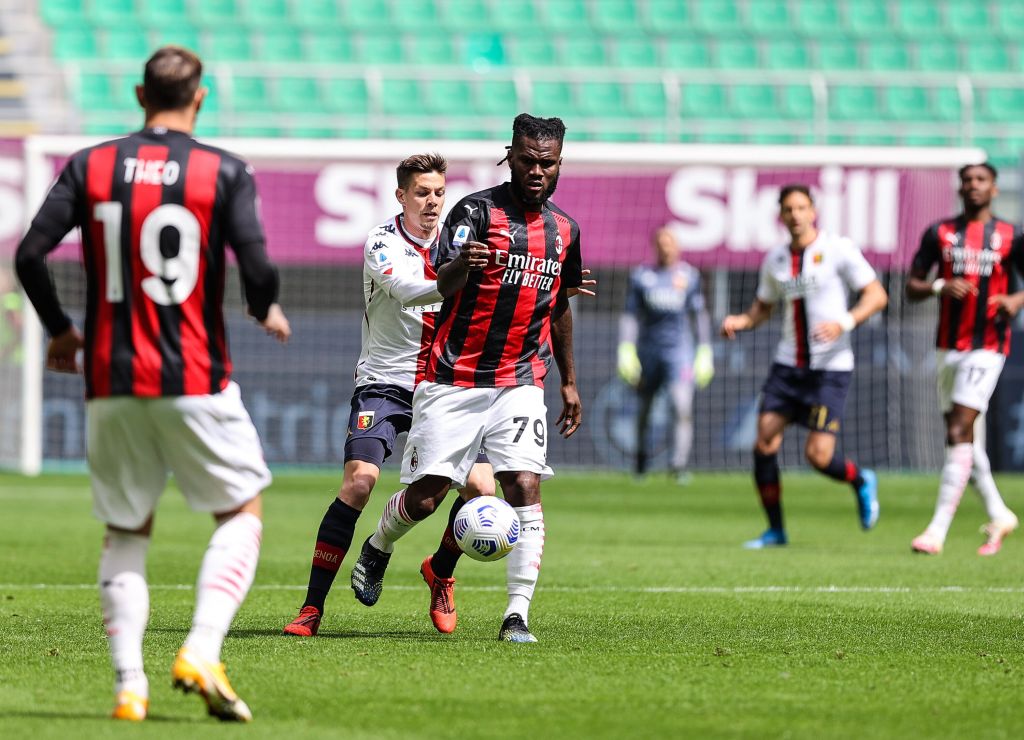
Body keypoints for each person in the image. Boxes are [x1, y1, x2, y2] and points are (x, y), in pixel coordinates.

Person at [14, 46, 290, 723]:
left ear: (141, 95)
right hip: (195, 376)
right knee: (241, 512)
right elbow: (257, 263)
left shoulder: (91, 164)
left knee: (126, 531)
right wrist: (263, 307)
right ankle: (201, 648)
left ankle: (129, 687)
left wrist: (61, 331)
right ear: (200, 98)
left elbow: (28, 255)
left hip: (110, 380)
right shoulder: (224, 170)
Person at [349, 113, 584, 644]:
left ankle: (516, 616)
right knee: (427, 497)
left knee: (523, 485)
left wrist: (569, 380)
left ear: (559, 165)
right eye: (528, 160)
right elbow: (443, 280)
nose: (537, 171)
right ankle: (380, 545)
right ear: (511, 156)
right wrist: (465, 266)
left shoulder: (566, 230)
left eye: (547, 163)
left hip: (522, 377)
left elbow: (560, 306)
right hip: (455, 376)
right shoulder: (474, 211)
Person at [280, 153, 499, 638]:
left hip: (444, 385)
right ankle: (312, 608)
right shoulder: (382, 242)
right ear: (401, 196)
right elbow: (408, 290)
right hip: (384, 382)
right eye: (422, 193)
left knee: (482, 489)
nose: (432, 202)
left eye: (439, 193)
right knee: (359, 483)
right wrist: (464, 271)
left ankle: (441, 571)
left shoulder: (458, 242)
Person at [720, 184, 887, 548]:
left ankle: (861, 480)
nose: (795, 215)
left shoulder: (838, 249)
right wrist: (741, 321)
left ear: (813, 211)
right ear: (780, 216)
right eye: (789, 209)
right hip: (787, 366)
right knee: (764, 443)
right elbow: (763, 308)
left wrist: (844, 322)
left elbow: (877, 295)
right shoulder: (776, 259)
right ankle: (775, 530)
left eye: (801, 208)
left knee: (818, 456)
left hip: (830, 369)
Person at [905, 162, 1023, 556]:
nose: (974, 185)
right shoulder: (939, 233)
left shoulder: (1012, 235)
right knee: (967, 443)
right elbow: (912, 286)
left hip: (987, 347)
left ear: (994, 188)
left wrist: (1016, 299)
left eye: (981, 180)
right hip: (947, 347)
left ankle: (936, 531)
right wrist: (939, 285)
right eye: (967, 180)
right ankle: (999, 513)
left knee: (957, 432)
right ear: (960, 188)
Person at [617, 227, 714, 483]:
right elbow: (630, 315)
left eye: (670, 242)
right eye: (661, 243)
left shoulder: (689, 276)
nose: (666, 247)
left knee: (682, 406)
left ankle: (678, 465)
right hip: (648, 353)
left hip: (679, 353)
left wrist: (704, 349)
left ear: (677, 246)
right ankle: (640, 461)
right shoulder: (642, 276)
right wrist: (626, 348)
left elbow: (699, 315)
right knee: (645, 409)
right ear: (655, 246)